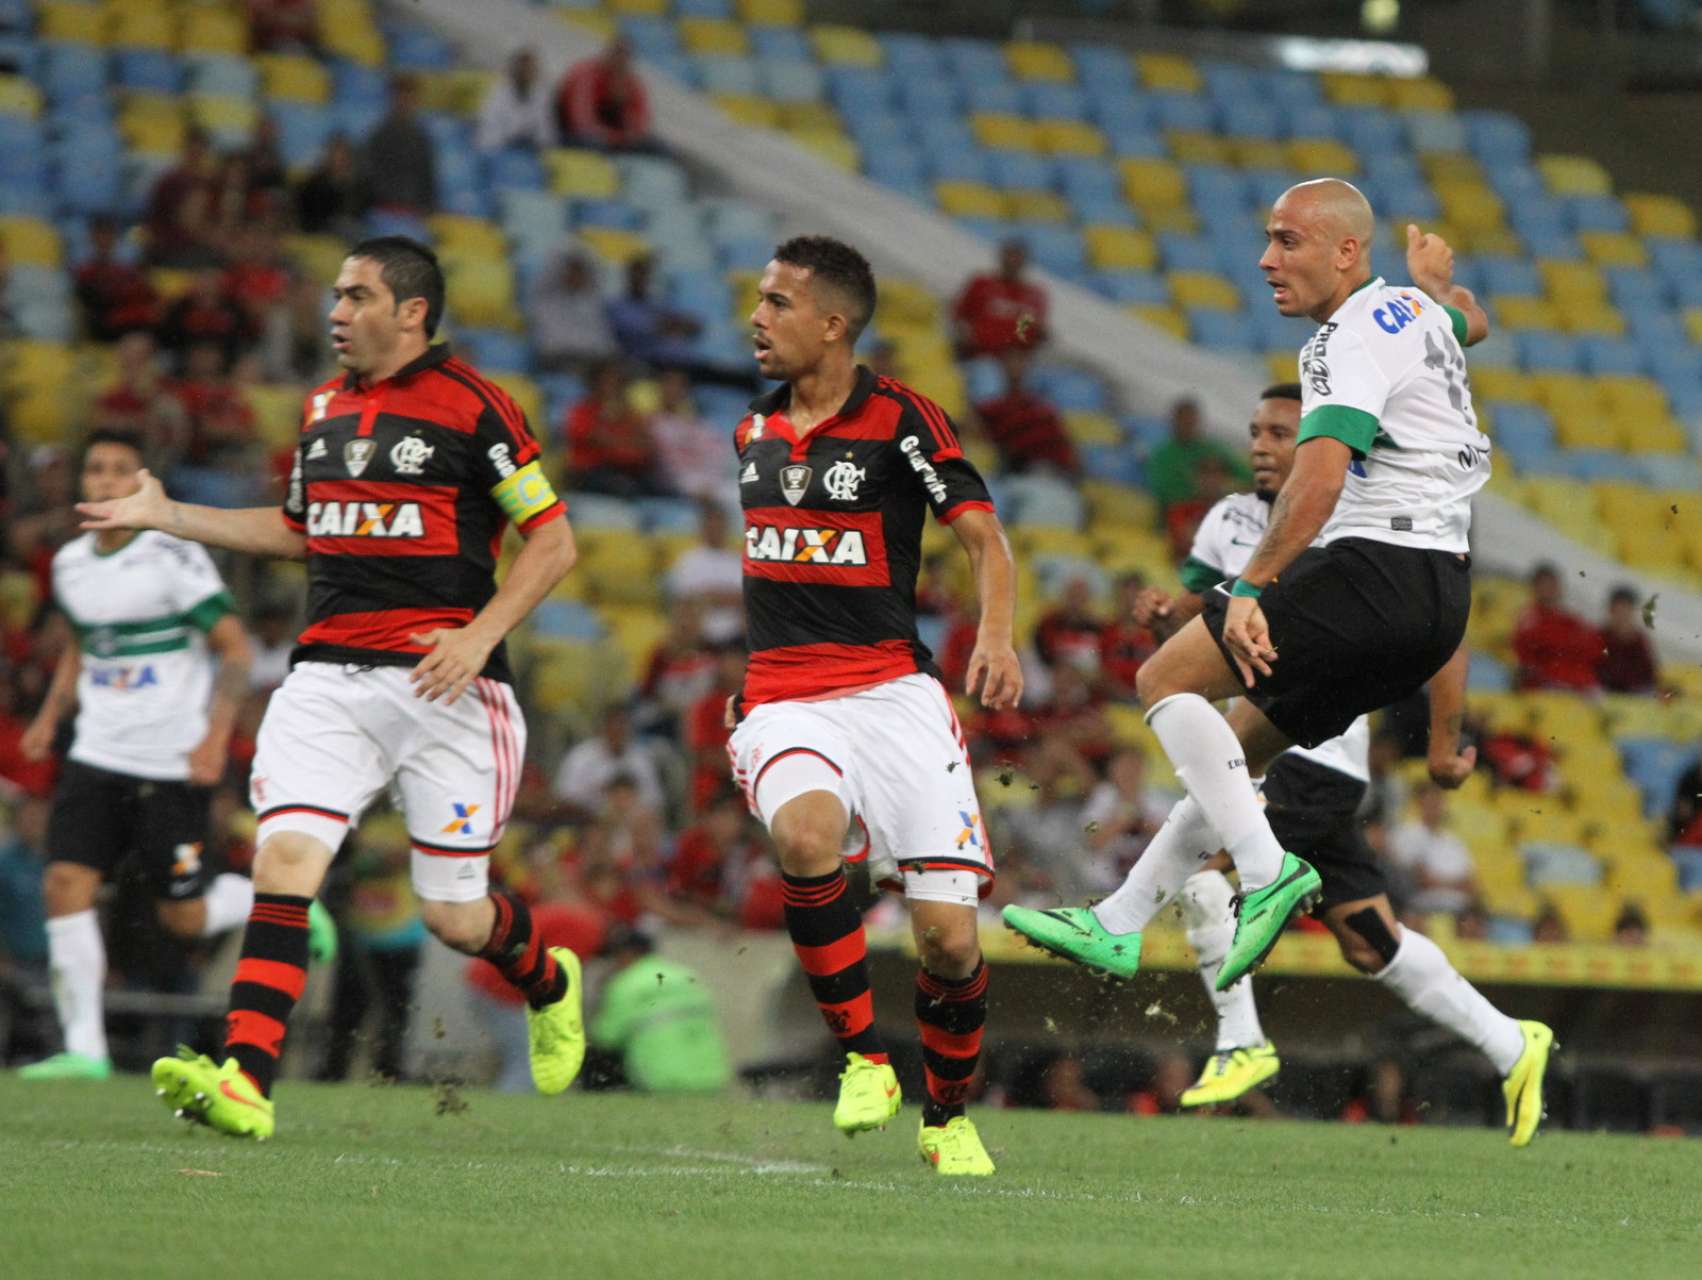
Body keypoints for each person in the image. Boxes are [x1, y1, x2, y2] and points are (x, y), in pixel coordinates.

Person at [1004, 183, 1553, 1146]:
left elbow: (1324, 471)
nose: (1266, 258)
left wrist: (1251, 585)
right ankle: (1123, 919)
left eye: (1287, 240)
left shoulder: (1338, 343)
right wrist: (1437, 293)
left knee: (1162, 684)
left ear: (1345, 256)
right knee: (1236, 751)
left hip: (1375, 568)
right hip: (1439, 598)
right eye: (1265, 238)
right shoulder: (1409, 310)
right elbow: (1466, 321)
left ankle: (1265, 882)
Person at [77, 237, 584, 1138]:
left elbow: (553, 540)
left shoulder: (477, 407)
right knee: (284, 865)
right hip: (326, 680)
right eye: (336, 297)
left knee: (456, 918)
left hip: (446, 687)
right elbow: (298, 530)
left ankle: (548, 979)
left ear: (412, 312)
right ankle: (246, 1081)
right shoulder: (321, 408)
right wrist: (169, 515)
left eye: (356, 297)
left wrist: (479, 635)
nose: (336, 313)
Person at [1099, 384, 1545, 1135]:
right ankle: (1512, 1043)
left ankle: (1241, 1044)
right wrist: (1160, 616)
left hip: (1312, 751)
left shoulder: (1348, 515)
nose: (1262, 445)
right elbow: (1197, 628)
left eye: (1281, 431)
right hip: (1286, 761)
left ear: (1316, 441)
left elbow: (1439, 638)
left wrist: (1441, 741)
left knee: (1206, 885)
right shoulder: (1228, 521)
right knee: (1369, 941)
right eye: (1255, 430)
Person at [728, 235, 1022, 1175]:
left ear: (833, 324)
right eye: (759, 302)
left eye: (777, 304)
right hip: (781, 694)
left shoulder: (903, 421)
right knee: (808, 840)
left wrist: (999, 636)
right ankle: (861, 1058)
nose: (757, 319)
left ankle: (946, 1118)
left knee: (945, 940)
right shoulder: (754, 432)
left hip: (895, 696)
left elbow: (983, 537)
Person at [13, 428, 264, 1080]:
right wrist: (48, 718)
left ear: (140, 482)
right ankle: (85, 1050)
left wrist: (214, 739)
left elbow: (235, 650)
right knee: (65, 883)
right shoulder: (70, 563)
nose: (103, 480)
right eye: (94, 468)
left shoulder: (171, 557)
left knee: (182, 916)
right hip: (97, 751)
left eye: (119, 470)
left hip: (169, 760)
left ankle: (277, 898)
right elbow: (81, 645)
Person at [590, 927, 731, 1094]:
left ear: (626, 954)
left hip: (661, 1080)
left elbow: (605, 1037)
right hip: (713, 1078)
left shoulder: (625, 983)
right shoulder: (686, 974)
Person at [562, 359, 663, 497]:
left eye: (617, 381)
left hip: (631, 471)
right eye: (606, 381)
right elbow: (595, 440)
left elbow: (646, 446)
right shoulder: (581, 410)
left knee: (660, 488)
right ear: (594, 383)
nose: (612, 386)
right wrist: (617, 435)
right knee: (623, 488)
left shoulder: (630, 414)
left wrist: (619, 439)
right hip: (591, 472)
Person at [971, 348, 1078, 476]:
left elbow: (1065, 445)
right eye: (1012, 361)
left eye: (1022, 360)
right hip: (1022, 470)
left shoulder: (1043, 406)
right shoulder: (990, 408)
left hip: (1057, 470)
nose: (1018, 366)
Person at [551, 703, 664, 817]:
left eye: (622, 726)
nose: (617, 731)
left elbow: (654, 801)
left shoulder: (641, 759)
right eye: (613, 726)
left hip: (630, 824)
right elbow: (563, 798)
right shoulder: (581, 756)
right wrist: (597, 793)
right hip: (589, 822)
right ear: (603, 727)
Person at [1145, 396, 1249, 514]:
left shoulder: (1212, 448)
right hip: (1180, 514)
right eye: (1184, 419)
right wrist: (1202, 492)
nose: (1188, 423)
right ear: (1174, 421)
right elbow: (1164, 492)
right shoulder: (1162, 455)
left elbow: (1246, 476)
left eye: (1191, 419)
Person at [1387, 784, 1478, 916]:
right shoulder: (1407, 833)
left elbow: (1471, 884)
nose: (1435, 807)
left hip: (1459, 909)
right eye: (1430, 802)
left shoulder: (1455, 842)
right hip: (1422, 907)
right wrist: (1456, 884)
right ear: (1419, 804)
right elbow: (1421, 880)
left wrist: (1438, 882)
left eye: (1438, 801)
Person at [664, 499, 744, 644]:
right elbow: (685, 600)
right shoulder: (688, 560)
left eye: (719, 522)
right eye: (710, 522)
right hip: (698, 637)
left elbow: (746, 600)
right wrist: (725, 597)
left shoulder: (738, 560)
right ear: (702, 525)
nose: (715, 527)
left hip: (736, 639)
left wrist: (711, 596)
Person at [1512, 562, 1600, 691]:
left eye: (1551, 585)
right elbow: (1526, 657)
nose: (1548, 589)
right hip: (1547, 686)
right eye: (1543, 585)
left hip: (1577, 683)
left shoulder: (1572, 620)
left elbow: (1593, 649)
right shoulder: (1529, 620)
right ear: (1535, 588)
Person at [952, 238, 1047, 357]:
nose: (1012, 261)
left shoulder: (1034, 295)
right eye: (1009, 255)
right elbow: (958, 316)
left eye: (1017, 257)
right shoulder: (981, 284)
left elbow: (1035, 331)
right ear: (1001, 257)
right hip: (978, 354)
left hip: (1014, 361)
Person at [73, 215, 161, 342]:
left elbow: (148, 293)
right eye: (100, 235)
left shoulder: (128, 268)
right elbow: (94, 300)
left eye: (107, 235)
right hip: (107, 324)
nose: (104, 240)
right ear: (92, 237)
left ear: (114, 237)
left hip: (133, 321)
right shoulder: (83, 269)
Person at [606, 254, 703, 369]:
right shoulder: (616, 306)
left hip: (676, 364)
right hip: (643, 365)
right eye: (637, 274)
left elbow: (693, 326)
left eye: (645, 274)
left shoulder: (658, 305)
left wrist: (673, 324)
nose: (641, 279)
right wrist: (668, 325)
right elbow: (635, 330)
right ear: (628, 277)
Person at [527, 250, 617, 373]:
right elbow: (549, 348)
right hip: (559, 362)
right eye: (572, 271)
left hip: (590, 362)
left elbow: (603, 345)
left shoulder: (591, 306)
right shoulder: (547, 302)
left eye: (580, 272)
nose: (576, 276)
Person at [557, 36, 652, 152]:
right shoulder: (587, 75)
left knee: (656, 145)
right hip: (571, 132)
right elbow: (580, 121)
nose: (620, 60)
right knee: (594, 143)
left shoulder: (631, 84)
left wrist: (622, 107)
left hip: (610, 136)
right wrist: (616, 138)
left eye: (625, 56)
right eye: (618, 53)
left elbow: (640, 123)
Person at [144, 127, 220, 268]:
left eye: (200, 151)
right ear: (184, 150)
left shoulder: (212, 183)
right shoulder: (169, 182)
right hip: (171, 249)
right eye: (192, 151)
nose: (196, 156)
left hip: (201, 248)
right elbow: (155, 220)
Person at [360, 75, 436, 214]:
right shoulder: (379, 135)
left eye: (409, 98)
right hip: (384, 206)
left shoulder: (422, 138)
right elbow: (369, 175)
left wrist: (425, 208)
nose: (405, 103)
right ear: (392, 100)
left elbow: (427, 177)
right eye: (401, 97)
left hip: (415, 209)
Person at [476, 49, 556, 152]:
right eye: (526, 70)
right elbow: (491, 128)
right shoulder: (500, 93)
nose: (531, 73)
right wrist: (518, 134)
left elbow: (546, 129)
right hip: (497, 147)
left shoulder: (541, 94)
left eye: (533, 69)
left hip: (527, 148)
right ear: (516, 71)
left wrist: (542, 142)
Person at [294, 134, 364, 238]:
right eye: (335, 155)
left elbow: (361, 210)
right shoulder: (314, 184)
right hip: (321, 228)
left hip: (352, 226)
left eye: (343, 155)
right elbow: (309, 214)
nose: (340, 160)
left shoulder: (358, 184)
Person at [1598, 584, 1658, 694]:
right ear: (1611, 611)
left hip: (1634, 694)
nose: (1622, 615)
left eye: (1626, 610)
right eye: (1619, 610)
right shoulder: (1601, 636)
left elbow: (1648, 676)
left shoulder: (1639, 640)